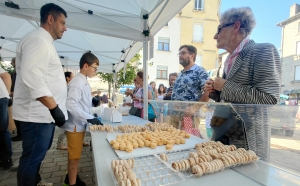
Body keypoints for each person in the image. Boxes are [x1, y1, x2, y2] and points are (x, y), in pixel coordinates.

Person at [204, 7, 281, 161]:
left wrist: (225, 86)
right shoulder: (227, 61)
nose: (215, 36)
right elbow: (231, 99)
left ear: (236, 26)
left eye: (219, 29)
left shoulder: (263, 50)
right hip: (223, 141)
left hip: (248, 146)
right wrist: (216, 92)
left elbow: (269, 98)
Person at [14, 3, 68, 186]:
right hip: (37, 114)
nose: (65, 28)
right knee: (31, 159)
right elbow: (32, 75)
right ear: (50, 19)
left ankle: (36, 181)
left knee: (37, 155)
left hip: (42, 114)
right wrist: (54, 108)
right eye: (62, 23)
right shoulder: (38, 40)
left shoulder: (44, 41)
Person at [62, 52, 102, 186]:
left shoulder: (83, 80)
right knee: (74, 157)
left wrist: (92, 102)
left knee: (75, 154)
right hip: (74, 125)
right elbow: (70, 104)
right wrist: (89, 118)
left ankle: (72, 178)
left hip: (78, 124)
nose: (95, 72)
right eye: (94, 68)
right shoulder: (78, 81)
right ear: (86, 65)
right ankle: (71, 184)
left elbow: (81, 101)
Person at [170, 45, 210, 129]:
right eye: (179, 54)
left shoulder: (200, 71)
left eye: (183, 53)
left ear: (192, 55)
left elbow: (209, 92)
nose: (180, 55)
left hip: (189, 117)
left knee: (188, 140)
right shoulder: (180, 74)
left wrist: (194, 108)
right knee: (175, 140)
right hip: (175, 116)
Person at [56, 72, 74, 150]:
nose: (73, 79)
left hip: (66, 110)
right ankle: (59, 144)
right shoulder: (64, 87)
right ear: (67, 78)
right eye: (72, 77)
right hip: (64, 110)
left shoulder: (66, 86)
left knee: (67, 128)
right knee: (64, 128)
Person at [0, 65, 13, 170]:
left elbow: (6, 75)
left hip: (1, 98)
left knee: (2, 129)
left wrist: (8, 94)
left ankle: (6, 159)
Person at [9, 57, 22, 142]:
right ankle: (20, 134)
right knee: (16, 116)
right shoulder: (14, 74)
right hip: (15, 97)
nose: (13, 64)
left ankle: (21, 134)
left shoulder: (20, 73)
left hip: (20, 98)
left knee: (19, 116)